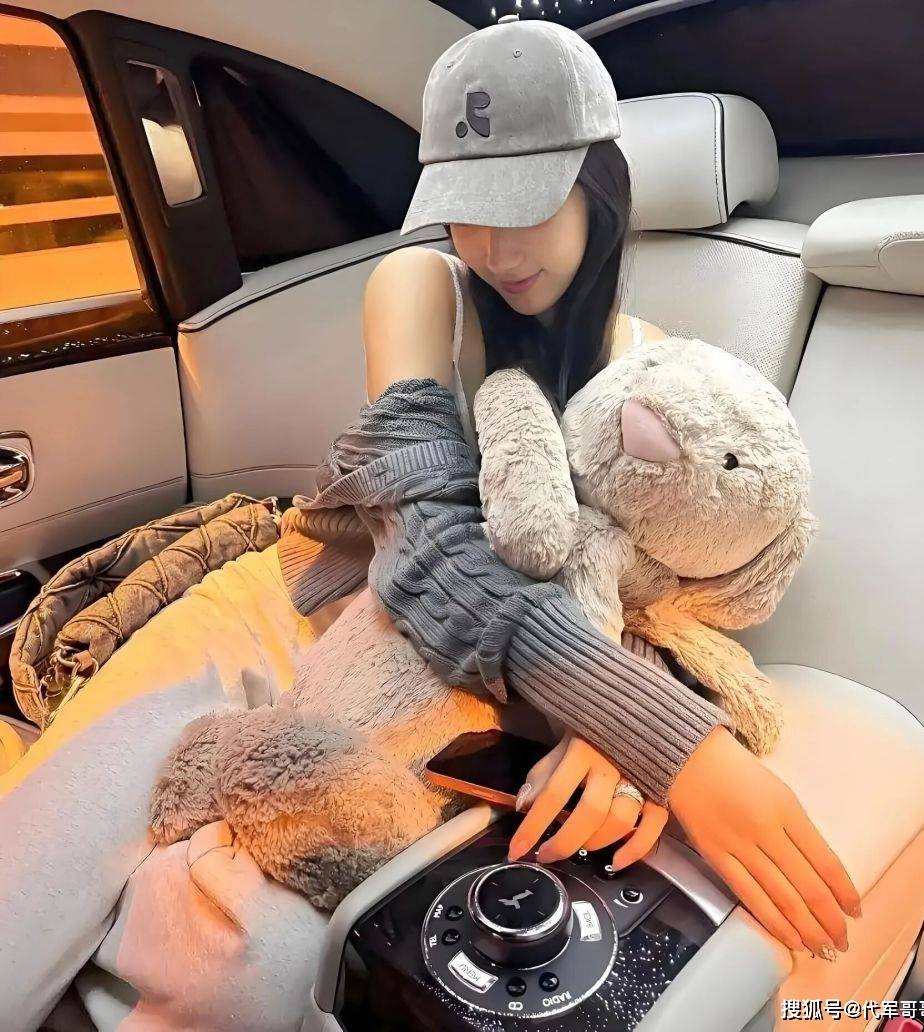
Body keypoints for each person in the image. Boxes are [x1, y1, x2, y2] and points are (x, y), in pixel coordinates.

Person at [279, 15, 860, 961]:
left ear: (601, 188)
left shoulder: (649, 364)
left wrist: (613, 726)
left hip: (503, 684)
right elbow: (428, 544)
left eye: (528, 205)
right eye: (469, 207)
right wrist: (662, 736)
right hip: (353, 606)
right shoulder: (420, 285)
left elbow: (648, 585)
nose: (494, 249)